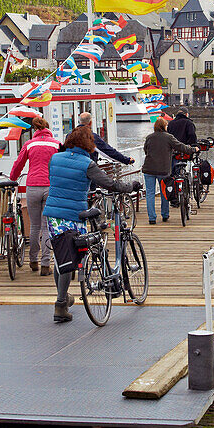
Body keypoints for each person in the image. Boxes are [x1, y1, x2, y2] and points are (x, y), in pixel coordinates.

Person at [43, 126, 137, 323]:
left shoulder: (54, 159)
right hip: (75, 215)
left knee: (61, 257)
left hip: (53, 215)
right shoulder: (87, 163)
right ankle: (60, 305)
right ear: (87, 144)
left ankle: (63, 297)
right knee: (71, 258)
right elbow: (109, 183)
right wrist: (130, 187)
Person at [8, 116, 60, 276]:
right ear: (47, 128)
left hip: (32, 186)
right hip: (50, 186)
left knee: (35, 226)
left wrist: (12, 178)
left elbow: (19, 163)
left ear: (35, 130)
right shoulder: (57, 144)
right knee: (46, 227)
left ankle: (33, 261)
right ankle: (45, 265)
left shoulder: (29, 144)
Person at [141, 117, 197, 224]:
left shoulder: (149, 137)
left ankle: (152, 218)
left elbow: (145, 150)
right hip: (163, 170)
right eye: (166, 125)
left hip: (148, 168)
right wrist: (193, 149)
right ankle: (165, 215)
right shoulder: (168, 137)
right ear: (164, 126)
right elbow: (181, 147)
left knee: (150, 194)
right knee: (164, 192)